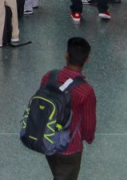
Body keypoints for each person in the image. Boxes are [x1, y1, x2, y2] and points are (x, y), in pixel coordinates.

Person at [37, 37, 97, 179]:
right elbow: (89, 124)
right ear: (87, 59)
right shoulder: (85, 91)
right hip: (70, 147)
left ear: (66, 55)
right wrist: (88, 138)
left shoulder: (49, 76)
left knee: (58, 173)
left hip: (47, 139)